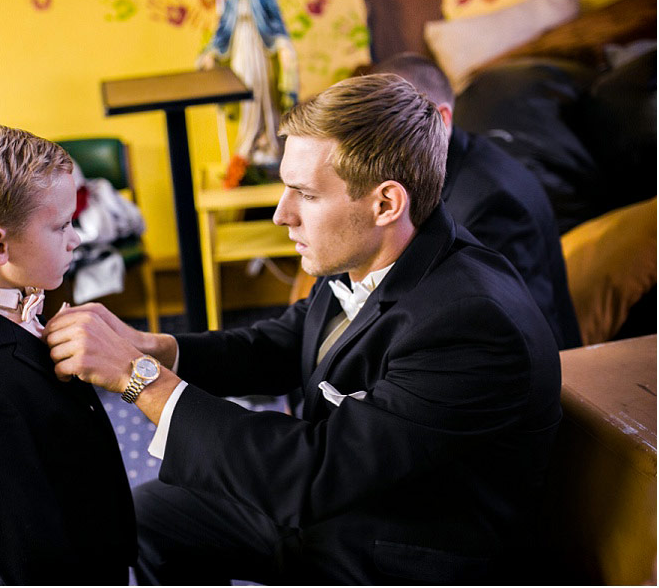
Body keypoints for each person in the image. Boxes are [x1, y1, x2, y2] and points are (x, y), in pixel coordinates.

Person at [45, 74, 562, 584]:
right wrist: (161, 350)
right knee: (151, 516)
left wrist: (141, 380)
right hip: (344, 499)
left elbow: (314, 472)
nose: (280, 214)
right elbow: (289, 339)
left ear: (386, 203)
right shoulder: (369, 250)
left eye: (305, 195)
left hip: (399, 552)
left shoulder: (471, 324)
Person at [0, 120, 135, 585]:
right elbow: (21, 554)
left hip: (98, 535)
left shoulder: (18, 301)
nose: (76, 238)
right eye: (61, 226)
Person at [374, 52, 582, 349]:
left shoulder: (492, 202)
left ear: (441, 118)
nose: (378, 141)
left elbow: (513, 327)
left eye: (391, 123)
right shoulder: (449, 164)